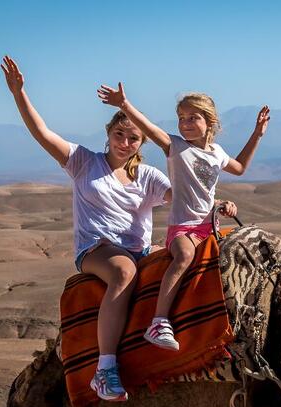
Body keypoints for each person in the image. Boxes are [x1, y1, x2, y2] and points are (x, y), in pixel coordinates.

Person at [1, 56, 172, 402]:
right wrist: (20, 94)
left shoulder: (150, 177)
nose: (125, 142)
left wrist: (217, 206)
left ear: (143, 143)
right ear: (108, 134)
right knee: (124, 271)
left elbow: (184, 198)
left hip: (140, 247)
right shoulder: (83, 162)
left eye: (134, 138)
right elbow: (43, 133)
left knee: (181, 259)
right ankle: (104, 369)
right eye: (119, 134)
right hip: (97, 248)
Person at [97, 82, 269, 351]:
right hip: (182, 229)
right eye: (181, 118)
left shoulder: (217, 153)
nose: (185, 123)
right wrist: (124, 105)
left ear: (210, 122)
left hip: (208, 226)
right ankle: (159, 321)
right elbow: (150, 128)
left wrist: (257, 134)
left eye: (193, 118)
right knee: (185, 256)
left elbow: (240, 167)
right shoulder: (175, 147)